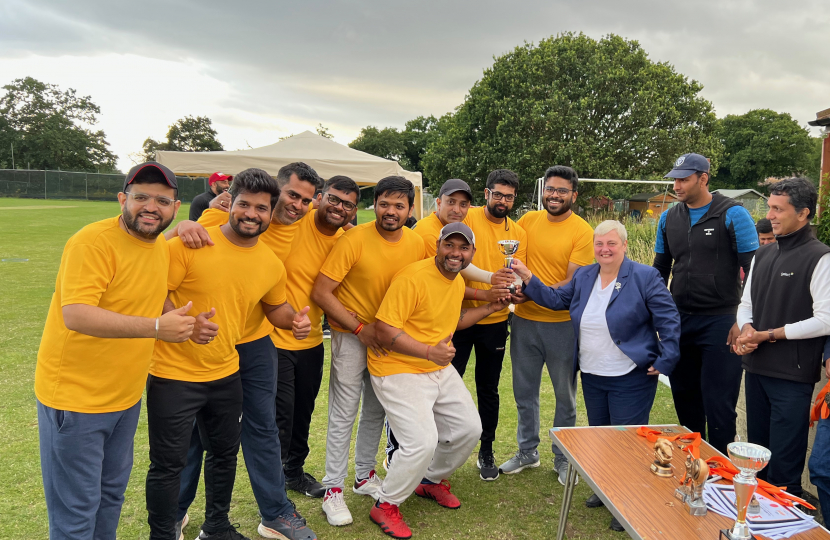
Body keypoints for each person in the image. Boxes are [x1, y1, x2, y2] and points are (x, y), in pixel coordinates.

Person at [145, 168, 312, 540]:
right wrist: (178, 230)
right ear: (228, 202)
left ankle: (251, 518)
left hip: (239, 353)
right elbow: (152, 283)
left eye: (261, 208)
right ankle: (171, 519)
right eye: (245, 205)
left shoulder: (275, 256)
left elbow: (276, 306)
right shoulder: (201, 234)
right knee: (182, 447)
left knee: (239, 440)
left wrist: (295, 322)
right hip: (184, 362)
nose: (253, 213)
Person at [35, 162, 195, 540]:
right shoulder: (93, 242)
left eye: (162, 200)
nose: (151, 207)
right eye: (141, 197)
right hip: (76, 401)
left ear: (175, 207)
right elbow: (75, 314)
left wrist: (180, 321)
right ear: (123, 199)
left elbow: (148, 299)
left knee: (109, 499)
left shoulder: (159, 247)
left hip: (123, 399)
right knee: (75, 512)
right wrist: (158, 328)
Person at [510, 220, 681, 532]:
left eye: (611, 244)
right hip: (592, 372)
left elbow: (668, 319)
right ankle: (605, 491)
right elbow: (556, 300)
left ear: (624, 246)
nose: (605, 249)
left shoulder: (645, 276)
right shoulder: (586, 275)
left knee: (626, 442)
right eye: (600, 244)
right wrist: (528, 278)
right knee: (601, 438)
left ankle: (627, 502)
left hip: (630, 374)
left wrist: (667, 358)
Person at [368, 222, 507, 539]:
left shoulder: (455, 280)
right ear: (438, 246)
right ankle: (385, 504)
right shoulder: (412, 277)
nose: (455, 253)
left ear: (471, 253)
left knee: (470, 428)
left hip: (433, 363)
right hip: (397, 366)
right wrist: (430, 352)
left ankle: (429, 480)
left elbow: (454, 321)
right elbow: (385, 331)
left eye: (463, 248)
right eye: (450, 245)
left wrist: (490, 306)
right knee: (421, 441)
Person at [311, 176, 426, 527]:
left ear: (410, 209)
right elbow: (322, 292)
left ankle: (364, 477)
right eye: (385, 204)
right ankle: (333, 489)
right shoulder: (353, 239)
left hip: (389, 344)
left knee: (376, 412)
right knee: (344, 414)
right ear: (374, 204)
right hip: (351, 338)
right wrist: (360, 328)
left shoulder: (418, 243)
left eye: (399, 206)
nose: (391, 212)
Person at [382, 178, 512, 473]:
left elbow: (452, 280)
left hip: (453, 322)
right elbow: (440, 278)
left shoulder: (466, 230)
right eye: (450, 202)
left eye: (463, 203)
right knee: (415, 406)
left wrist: (492, 298)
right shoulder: (425, 232)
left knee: (471, 396)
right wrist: (489, 286)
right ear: (437, 202)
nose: (457, 208)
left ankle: (439, 466)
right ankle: (398, 454)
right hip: (413, 333)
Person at [653, 153, 759, 454]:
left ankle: (723, 474)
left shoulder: (733, 214)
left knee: (719, 404)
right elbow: (660, 271)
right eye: (675, 179)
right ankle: (695, 464)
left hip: (721, 321)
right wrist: (659, 317)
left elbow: (754, 273)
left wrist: (743, 320)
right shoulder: (668, 217)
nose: (677, 185)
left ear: (704, 178)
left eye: (684, 179)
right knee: (685, 397)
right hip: (680, 321)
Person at [734, 177, 830, 499]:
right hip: (757, 370)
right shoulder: (762, 255)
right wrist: (747, 330)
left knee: (785, 469)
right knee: (756, 461)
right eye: (770, 208)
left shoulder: (821, 257)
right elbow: (745, 304)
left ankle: (785, 527)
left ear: (803, 213)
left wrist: (769, 335)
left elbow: (825, 319)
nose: (771, 215)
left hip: (792, 377)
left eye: (779, 209)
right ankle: (754, 522)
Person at [504, 165, 594, 484]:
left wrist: (527, 294)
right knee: (523, 392)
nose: (554, 195)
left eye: (561, 191)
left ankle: (563, 458)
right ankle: (527, 451)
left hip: (561, 326)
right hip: (525, 323)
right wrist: (515, 291)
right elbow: (516, 265)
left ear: (574, 195)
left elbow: (570, 284)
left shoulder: (582, 231)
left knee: (565, 396)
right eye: (551, 189)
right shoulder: (527, 221)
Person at [273, 176, 360, 499]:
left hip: (311, 340)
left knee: (302, 411)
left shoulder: (346, 239)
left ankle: (293, 472)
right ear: (320, 198)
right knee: (280, 415)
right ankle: (274, 489)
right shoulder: (294, 221)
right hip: (274, 337)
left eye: (348, 204)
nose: (339, 208)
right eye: (334, 199)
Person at [451, 170, 527, 481]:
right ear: (486, 194)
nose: (503, 201)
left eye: (509, 196)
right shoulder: (465, 218)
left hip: (495, 320)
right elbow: (457, 261)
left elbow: (519, 271)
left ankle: (486, 450)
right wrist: (489, 283)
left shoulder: (518, 231)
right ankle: (440, 448)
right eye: (498, 194)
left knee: (488, 388)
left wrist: (518, 291)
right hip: (458, 317)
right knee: (446, 385)